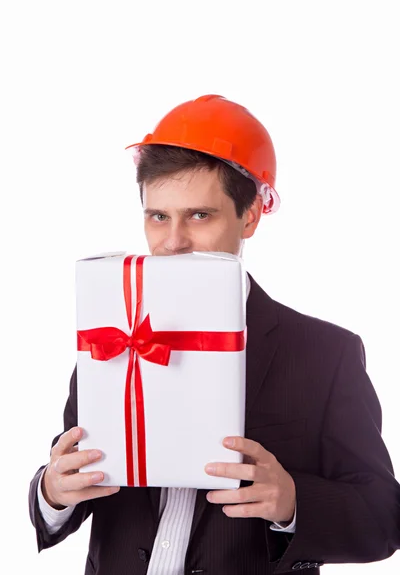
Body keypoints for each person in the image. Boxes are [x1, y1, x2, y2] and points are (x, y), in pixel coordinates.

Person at [29, 94, 400, 574]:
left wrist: (292, 502)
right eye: (158, 216)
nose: (173, 241)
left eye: (199, 215)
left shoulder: (326, 354)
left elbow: (384, 519)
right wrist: (51, 493)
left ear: (250, 217)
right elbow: (74, 483)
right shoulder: (115, 334)